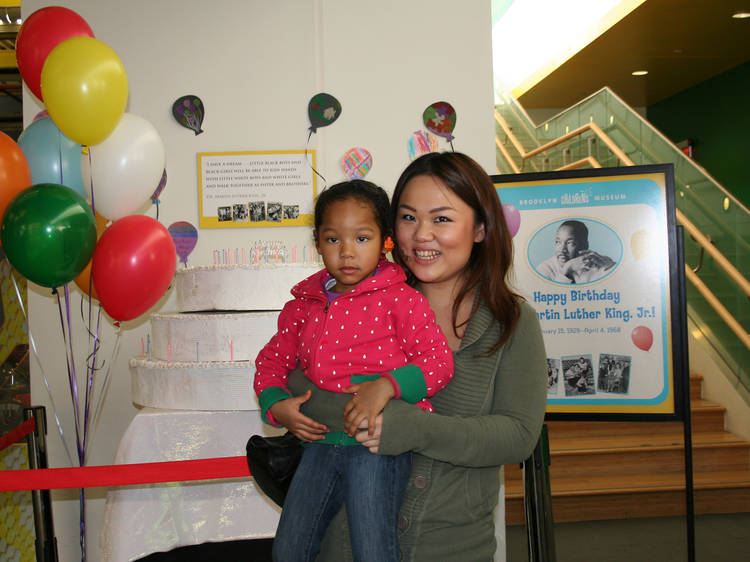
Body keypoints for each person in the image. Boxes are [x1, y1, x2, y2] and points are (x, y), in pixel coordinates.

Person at [284, 152, 548, 561]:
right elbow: (298, 379)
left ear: (479, 228)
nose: (422, 235)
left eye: (442, 219)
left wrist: (416, 428)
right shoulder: (354, 304)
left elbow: (517, 436)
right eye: (408, 218)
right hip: (345, 543)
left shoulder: (511, 321)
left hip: (449, 547)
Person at [254, 179, 454, 562]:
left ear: (386, 241)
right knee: (289, 549)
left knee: (373, 549)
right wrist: (277, 405)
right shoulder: (304, 306)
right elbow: (272, 362)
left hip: (376, 446)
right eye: (333, 240)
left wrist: (386, 387)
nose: (347, 252)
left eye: (362, 238)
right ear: (317, 243)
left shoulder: (402, 299)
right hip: (318, 442)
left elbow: (438, 362)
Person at [536, 219, 615, 283]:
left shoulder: (598, 265)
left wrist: (611, 267)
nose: (562, 249)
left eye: (570, 243)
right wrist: (566, 271)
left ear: (585, 245)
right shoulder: (545, 269)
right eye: (558, 242)